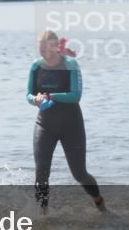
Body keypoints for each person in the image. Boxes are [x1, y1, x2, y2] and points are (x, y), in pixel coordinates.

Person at [27, 30, 105, 213]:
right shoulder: (35, 67)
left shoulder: (70, 64)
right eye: (40, 50)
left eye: (46, 51)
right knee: (41, 173)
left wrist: (49, 95)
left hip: (71, 125)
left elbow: (75, 96)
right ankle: (42, 214)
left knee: (79, 174)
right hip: (44, 124)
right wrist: (35, 100)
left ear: (55, 48)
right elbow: (28, 95)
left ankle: (98, 200)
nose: (43, 55)